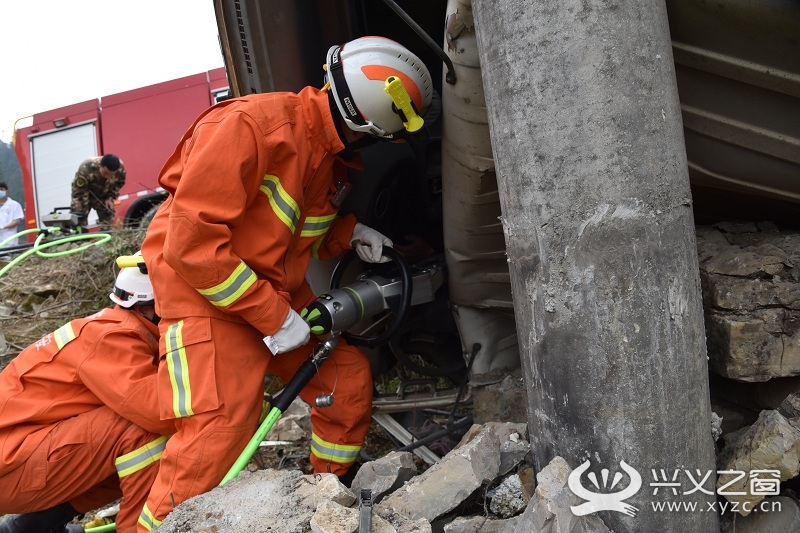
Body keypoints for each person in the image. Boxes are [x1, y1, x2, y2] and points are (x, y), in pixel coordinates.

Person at [138, 36, 433, 530]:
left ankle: (322, 500)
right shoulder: (252, 126)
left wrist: (350, 233)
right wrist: (274, 318)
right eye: (388, 132)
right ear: (371, 117)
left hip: (266, 292)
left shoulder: (325, 152)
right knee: (218, 434)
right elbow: (190, 246)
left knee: (345, 380)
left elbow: (296, 229)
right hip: (206, 296)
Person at [0, 255, 174, 533]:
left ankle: (35, 526)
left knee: (121, 447)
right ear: (150, 308)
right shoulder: (114, 337)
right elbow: (159, 414)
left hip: (16, 462)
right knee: (142, 431)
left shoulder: (109, 328)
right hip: (13, 467)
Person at [70, 154, 126, 231]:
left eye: (111, 175)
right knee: (79, 217)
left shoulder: (120, 168)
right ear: (100, 165)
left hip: (103, 195)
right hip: (85, 194)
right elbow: (80, 195)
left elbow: (119, 183)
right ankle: (80, 239)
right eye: (105, 173)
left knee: (108, 215)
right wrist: (82, 214)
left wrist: (110, 197)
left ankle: (106, 236)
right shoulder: (86, 168)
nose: (107, 177)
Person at [0, 181, 24, 254]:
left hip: (9, 239)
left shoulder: (14, 205)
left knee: (9, 258)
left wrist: (3, 227)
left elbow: (17, 221)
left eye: (1, 189)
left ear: (7, 191)